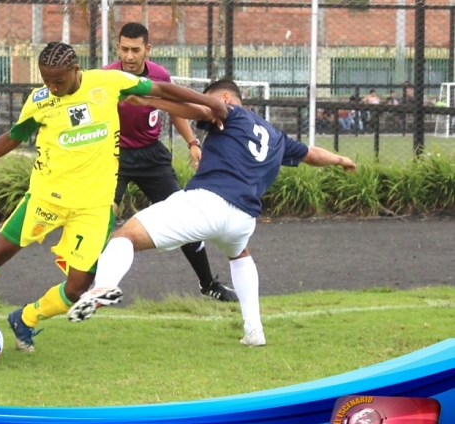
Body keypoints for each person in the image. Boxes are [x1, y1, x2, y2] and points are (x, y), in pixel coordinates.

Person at [0, 42, 228, 352]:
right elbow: (12, 138)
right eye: (47, 80)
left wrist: (211, 104)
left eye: (58, 80)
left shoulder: (108, 82)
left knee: (77, 289)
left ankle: (26, 318)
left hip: (93, 207)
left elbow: (163, 89)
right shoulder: (40, 101)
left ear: (76, 70)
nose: (53, 87)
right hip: (45, 199)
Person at [66, 79, 357, 347]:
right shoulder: (277, 137)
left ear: (227, 97)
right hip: (243, 219)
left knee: (125, 236)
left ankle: (103, 286)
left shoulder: (231, 113)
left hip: (208, 204)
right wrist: (341, 159)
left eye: (212, 101)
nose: (209, 108)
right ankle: (254, 330)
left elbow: (201, 108)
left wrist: (151, 100)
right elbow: (313, 154)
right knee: (240, 254)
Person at [101, 22, 236, 302]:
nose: (129, 55)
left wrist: (193, 142)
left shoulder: (160, 76)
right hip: (114, 157)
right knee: (103, 219)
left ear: (147, 49)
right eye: (124, 49)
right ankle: (94, 288)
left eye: (135, 50)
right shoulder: (105, 77)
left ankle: (208, 284)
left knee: (185, 219)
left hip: (152, 156)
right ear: (118, 48)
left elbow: (176, 111)